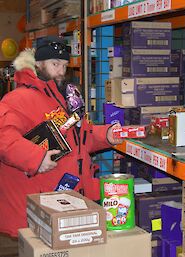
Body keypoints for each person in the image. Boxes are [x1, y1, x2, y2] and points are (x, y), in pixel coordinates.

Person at [0, 36, 122, 240]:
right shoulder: (17, 100)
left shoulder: (64, 98)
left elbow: (78, 138)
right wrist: (35, 159)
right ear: (38, 63)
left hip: (64, 203)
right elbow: (4, 138)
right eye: (55, 64)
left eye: (64, 65)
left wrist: (106, 135)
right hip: (37, 207)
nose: (61, 72)